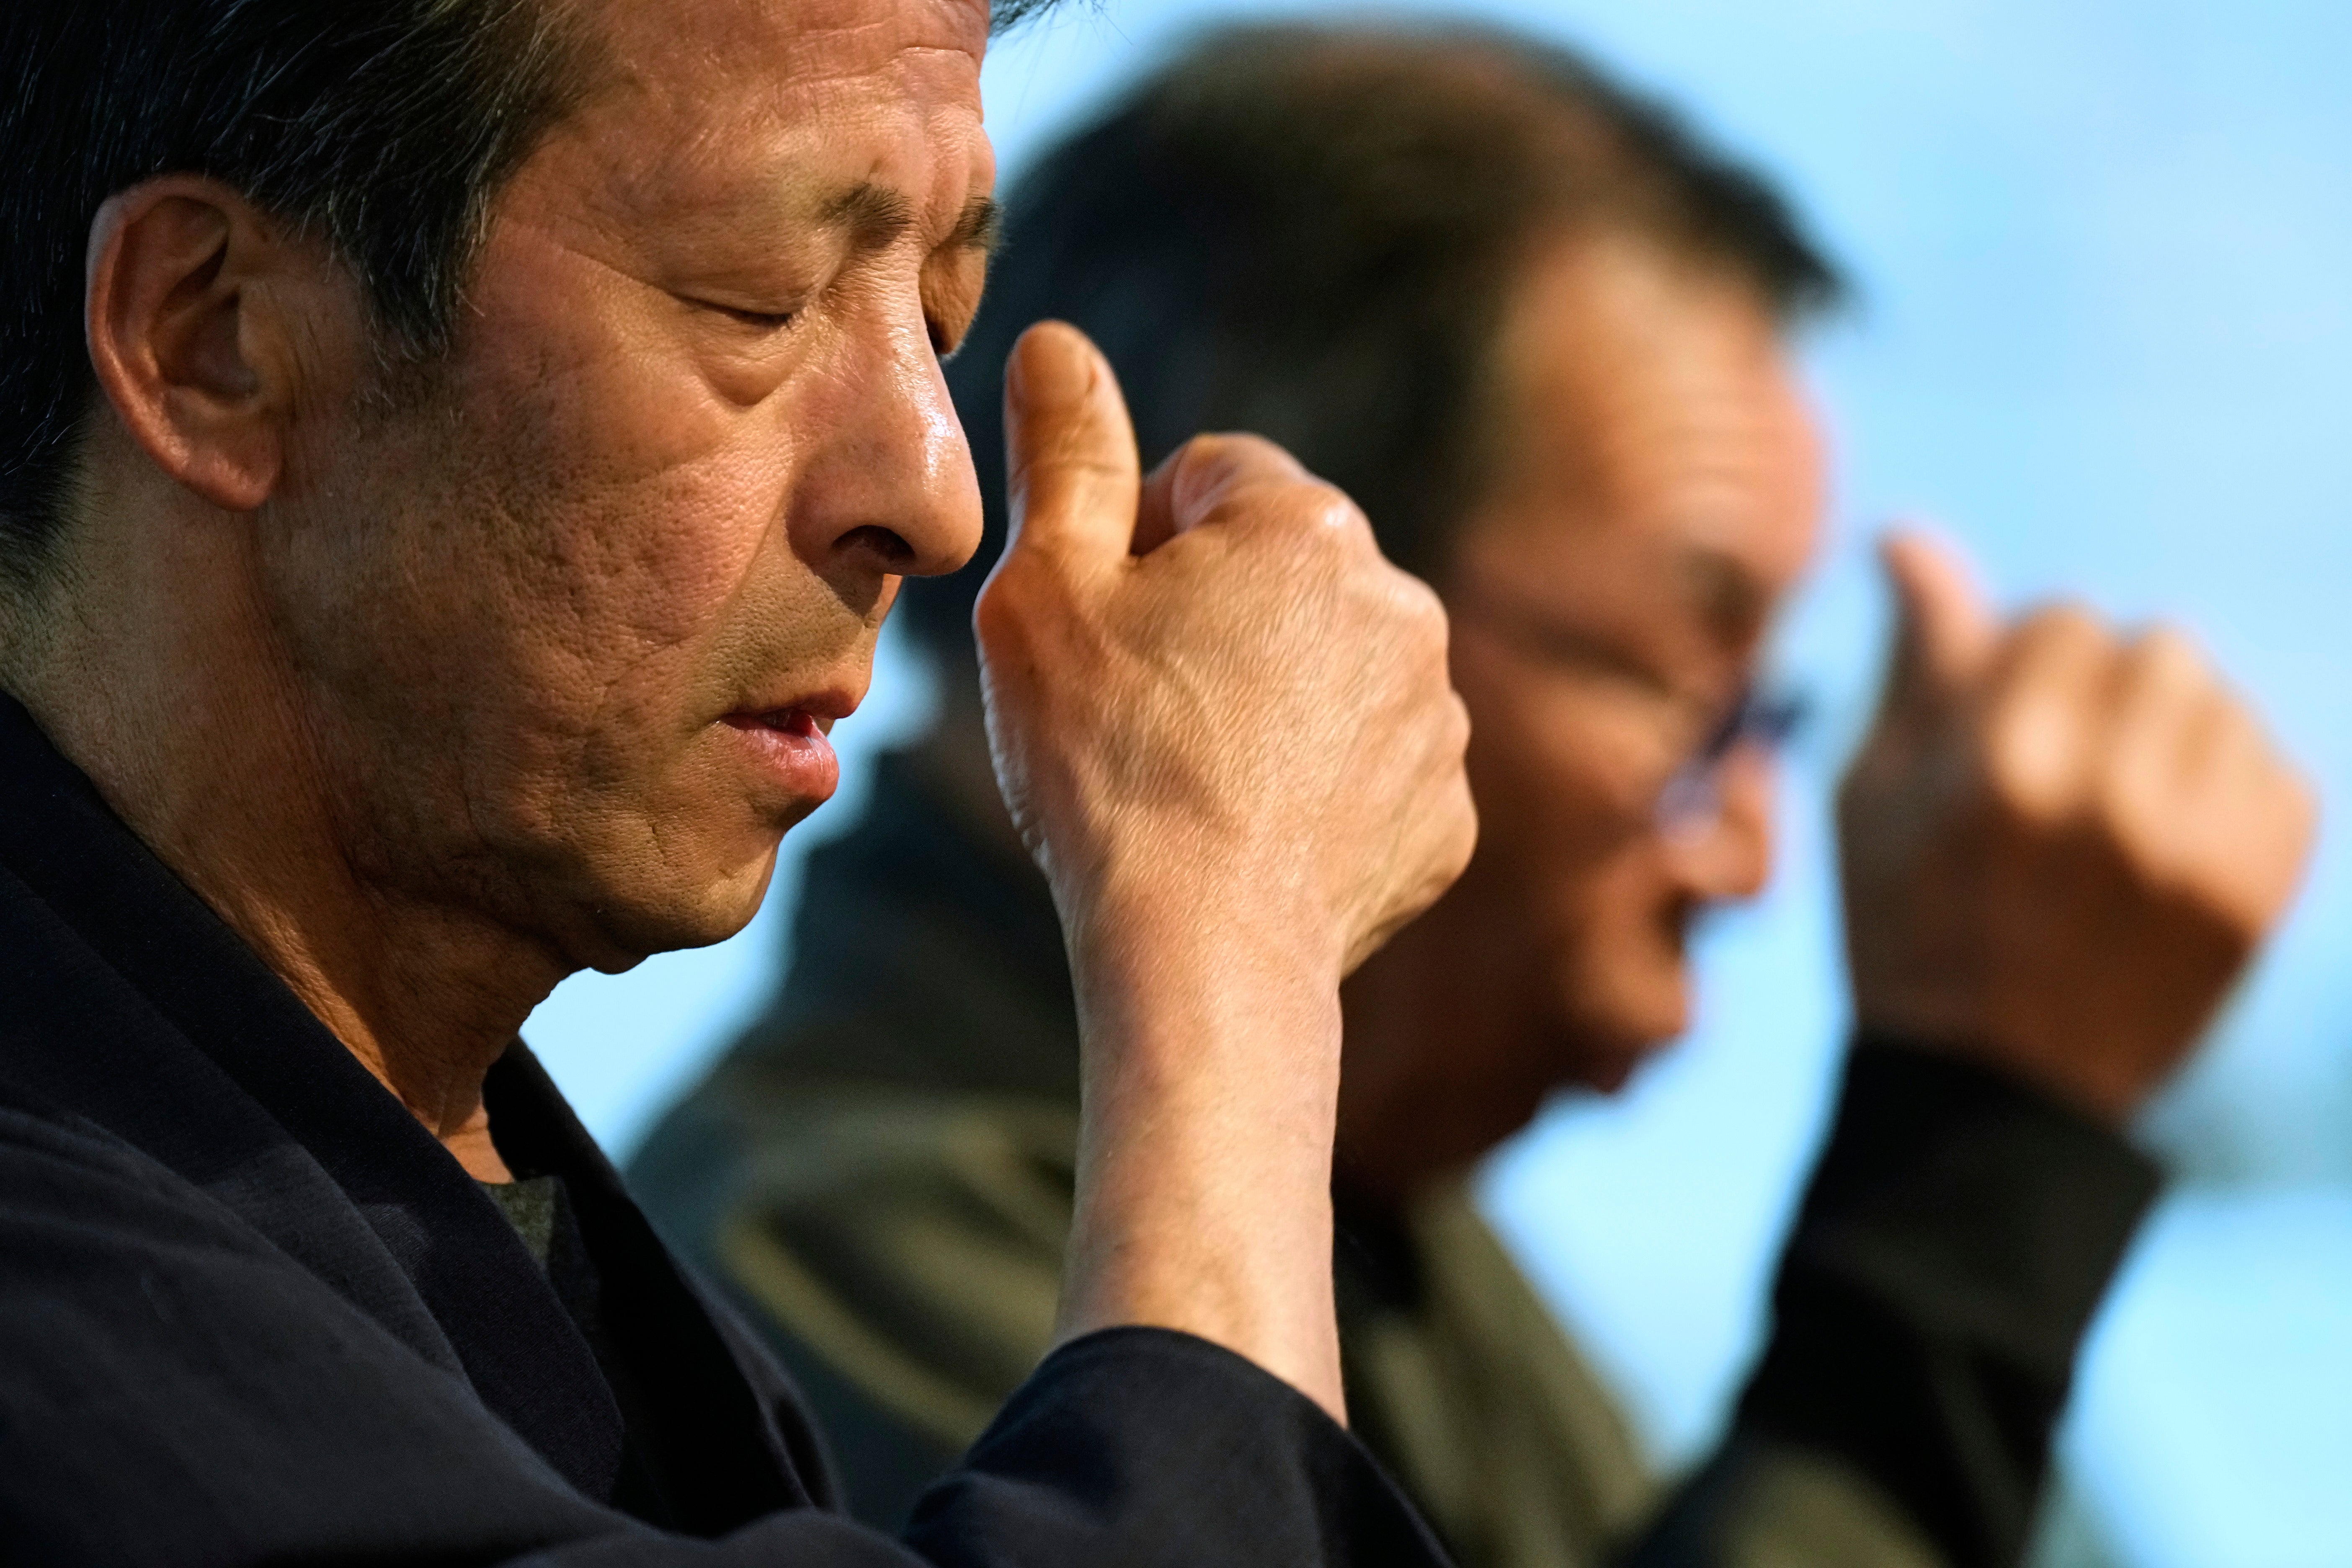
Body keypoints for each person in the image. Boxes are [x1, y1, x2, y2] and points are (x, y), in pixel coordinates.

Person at [629, 25, 2319, 1568]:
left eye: (1771, 719)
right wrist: (1964, 1204)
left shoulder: (1379, 1218)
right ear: (1261, 587)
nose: (1749, 856)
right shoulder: (839, 1242)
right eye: (1679, 688)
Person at [0, 1, 1488, 1563]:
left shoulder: (569, 1283)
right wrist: (1228, 946)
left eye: (946, 319)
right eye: (761, 301)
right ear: (211, 337)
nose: (939, 493)